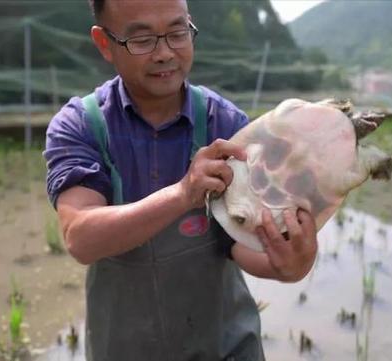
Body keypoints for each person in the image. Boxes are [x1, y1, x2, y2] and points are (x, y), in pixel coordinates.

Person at [43, 0, 318, 360]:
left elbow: (238, 244)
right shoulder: (82, 126)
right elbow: (81, 237)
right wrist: (184, 193)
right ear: (105, 43)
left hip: (224, 348)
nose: (165, 53)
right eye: (142, 40)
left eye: (177, 33)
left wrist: (289, 266)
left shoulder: (226, 126)